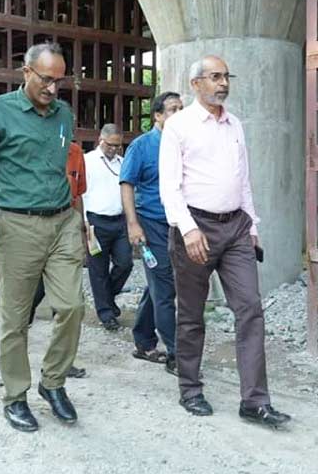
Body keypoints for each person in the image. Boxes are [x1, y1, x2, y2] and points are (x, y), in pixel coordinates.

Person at [0, 42, 85, 433]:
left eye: (58, 81)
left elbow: (64, 170)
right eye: (45, 79)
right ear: (25, 72)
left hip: (63, 221)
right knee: (16, 319)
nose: (52, 89)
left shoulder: (63, 113)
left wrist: (79, 219)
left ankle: (53, 382)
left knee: (72, 306)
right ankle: (15, 396)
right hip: (17, 226)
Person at [159, 55, 290, 429]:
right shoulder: (178, 126)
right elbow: (170, 187)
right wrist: (187, 229)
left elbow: (242, 179)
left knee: (250, 308)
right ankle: (190, 388)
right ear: (196, 83)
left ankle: (255, 401)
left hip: (235, 229)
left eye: (226, 77)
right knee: (192, 313)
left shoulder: (235, 125)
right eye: (215, 77)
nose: (223, 84)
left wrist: (252, 225)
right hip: (195, 227)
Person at [120, 91, 183, 375]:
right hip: (151, 223)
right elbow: (127, 184)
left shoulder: (185, 144)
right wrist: (133, 224)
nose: (179, 114)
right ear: (157, 115)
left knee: (158, 283)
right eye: (172, 109)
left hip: (179, 224)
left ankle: (144, 340)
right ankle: (176, 354)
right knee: (165, 287)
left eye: (182, 108)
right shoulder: (142, 146)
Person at [27, 140, 88, 379]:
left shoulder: (76, 153)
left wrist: (81, 228)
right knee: (26, 302)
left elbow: (79, 193)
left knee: (70, 304)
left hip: (66, 231)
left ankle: (60, 362)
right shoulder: (33, 147)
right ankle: (16, 353)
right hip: (34, 231)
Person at [82, 123, 132, 331]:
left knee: (125, 263)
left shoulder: (122, 163)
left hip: (119, 222)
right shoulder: (87, 162)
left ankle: (107, 298)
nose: (114, 149)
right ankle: (106, 313)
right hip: (94, 221)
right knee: (98, 269)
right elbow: (81, 193)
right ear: (101, 140)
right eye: (111, 145)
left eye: (118, 146)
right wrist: (83, 222)